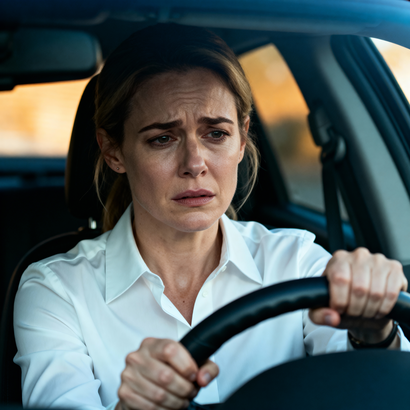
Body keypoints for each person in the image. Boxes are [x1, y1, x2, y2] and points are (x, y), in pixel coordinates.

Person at [14, 23, 409, 410]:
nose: (194, 163)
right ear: (113, 151)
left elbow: (371, 387)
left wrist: (375, 330)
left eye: (216, 134)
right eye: (162, 138)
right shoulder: (56, 290)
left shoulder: (298, 262)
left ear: (242, 138)